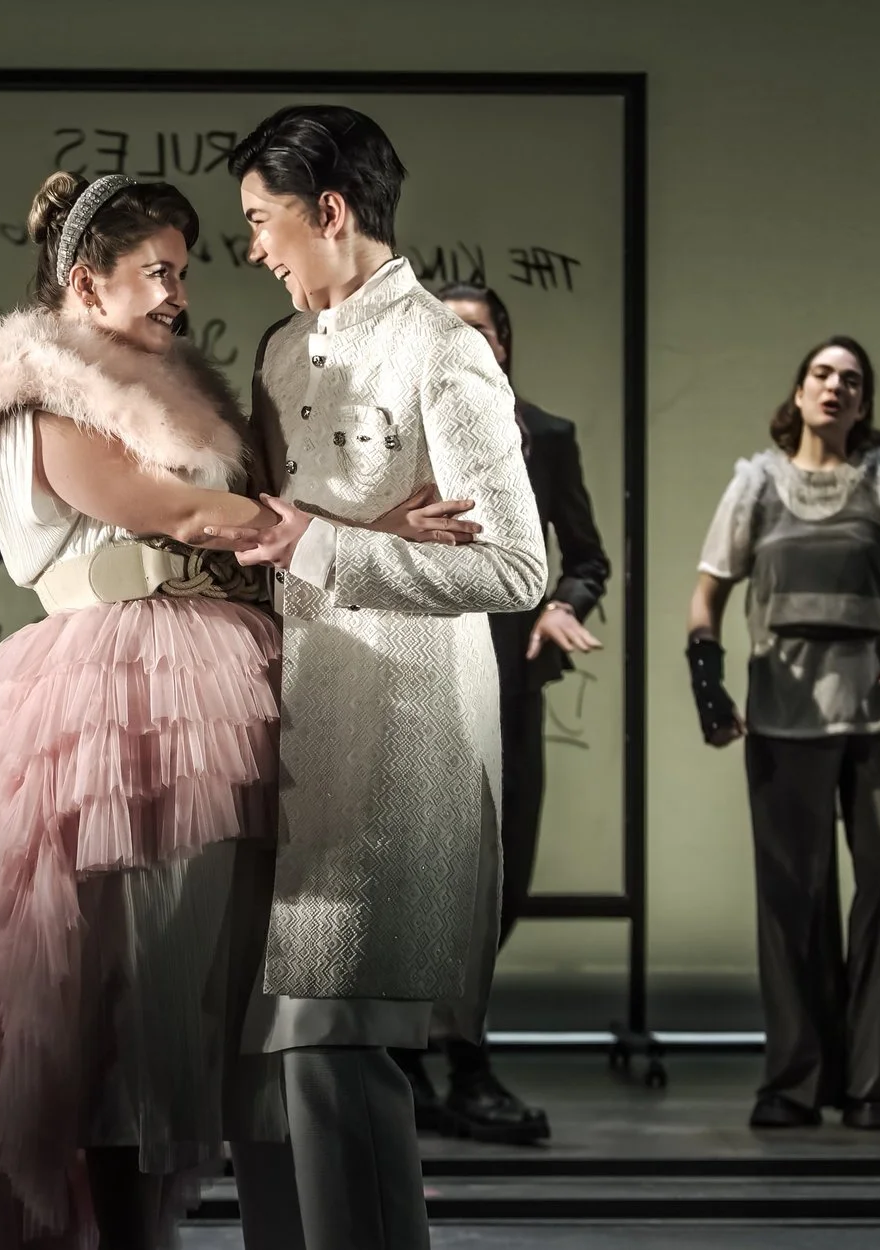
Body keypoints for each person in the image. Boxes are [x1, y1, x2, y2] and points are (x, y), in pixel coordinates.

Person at [0, 170, 298, 1250]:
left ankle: (158, 1215)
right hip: (121, 685)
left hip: (202, 675)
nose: (179, 293)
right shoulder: (35, 401)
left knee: (190, 974)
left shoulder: (162, 392)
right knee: (126, 982)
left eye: (182, 272)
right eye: (157, 272)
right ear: (87, 282)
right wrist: (337, 528)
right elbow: (167, 507)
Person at [210, 104, 550, 1250]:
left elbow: (515, 566)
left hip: (395, 750)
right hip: (281, 749)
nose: (250, 246)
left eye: (260, 219)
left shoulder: (444, 351)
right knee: (268, 1075)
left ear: (329, 211)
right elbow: (275, 536)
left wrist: (328, 544)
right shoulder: (276, 349)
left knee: (335, 1048)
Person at [685, 337, 880, 1132]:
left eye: (852, 380)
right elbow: (706, 599)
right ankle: (796, 1080)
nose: (836, 387)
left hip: (879, 715)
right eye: (822, 375)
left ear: (863, 403)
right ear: (799, 393)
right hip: (784, 716)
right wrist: (708, 683)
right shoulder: (755, 485)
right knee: (792, 896)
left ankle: (869, 1082)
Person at [375, 281, 608, 1145]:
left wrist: (562, 605)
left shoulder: (547, 436)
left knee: (502, 876)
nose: (460, 341)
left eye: (476, 330)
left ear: (503, 344)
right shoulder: (394, 430)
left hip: (509, 679)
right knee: (414, 873)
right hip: (415, 677)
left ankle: (459, 1052)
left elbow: (586, 556)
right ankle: (420, 1062)